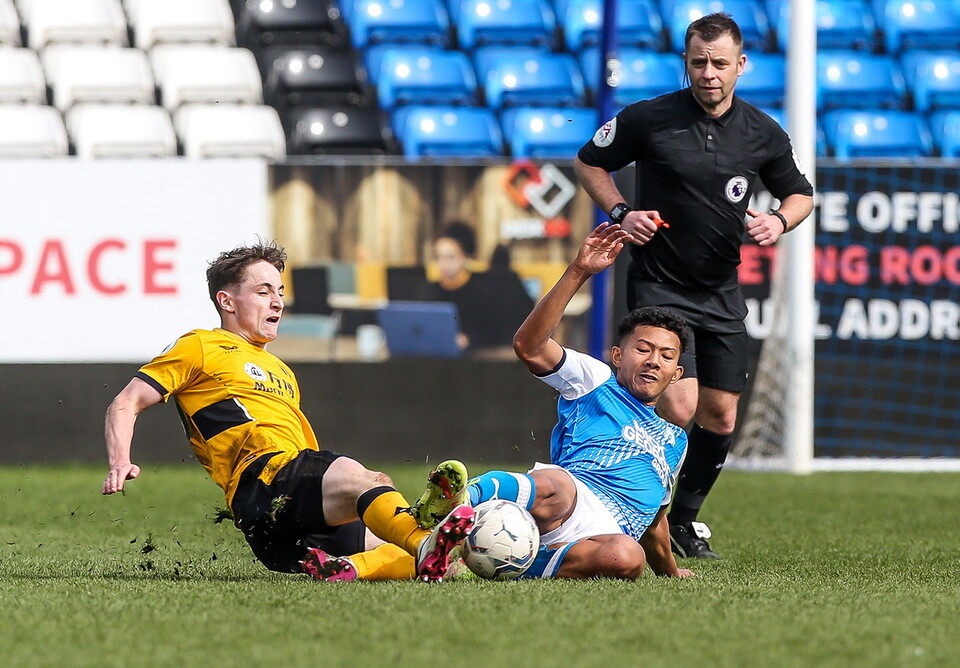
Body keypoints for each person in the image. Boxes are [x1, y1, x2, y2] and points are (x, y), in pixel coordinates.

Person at [574, 12, 815, 559]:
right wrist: (621, 210)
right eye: (699, 62)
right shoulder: (648, 118)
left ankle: (683, 520)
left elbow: (800, 194)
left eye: (720, 63)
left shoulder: (763, 132)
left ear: (741, 66)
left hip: (720, 290)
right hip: (658, 285)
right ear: (686, 63)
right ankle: (632, 511)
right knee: (677, 405)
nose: (709, 73)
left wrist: (778, 220)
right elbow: (589, 162)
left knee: (721, 415)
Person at [101, 240, 475, 582]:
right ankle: (425, 531)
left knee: (441, 563)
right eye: (263, 292)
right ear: (227, 301)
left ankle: (353, 566)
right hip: (264, 482)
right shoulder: (201, 345)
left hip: (281, 524)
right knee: (371, 482)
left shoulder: (281, 370)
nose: (278, 302)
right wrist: (120, 461)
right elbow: (125, 402)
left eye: (279, 292)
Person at [450, 223, 696, 579]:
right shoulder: (595, 380)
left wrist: (671, 571)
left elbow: (656, 519)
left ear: (675, 374)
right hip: (567, 501)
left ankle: (502, 563)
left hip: (603, 536)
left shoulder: (676, 441)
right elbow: (529, 347)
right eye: (642, 349)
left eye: (666, 355)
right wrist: (579, 271)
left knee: (628, 558)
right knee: (558, 485)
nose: (653, 360)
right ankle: (456, 505)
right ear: (617, 355)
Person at [421, 221, 532, 355]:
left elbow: (496, 331)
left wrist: (469, 339)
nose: (443, 264)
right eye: (439, 257)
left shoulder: (484, 290)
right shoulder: (429, 291)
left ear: (465, 256)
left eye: (450, 257)